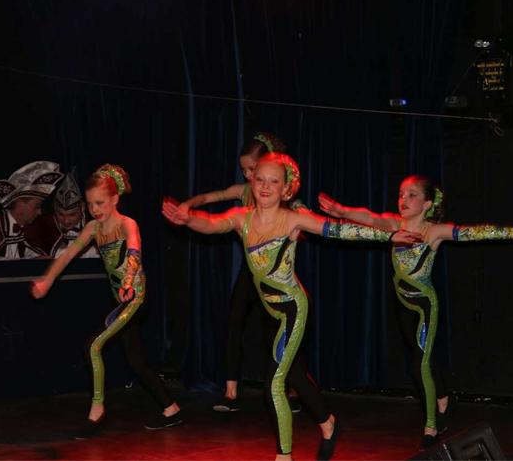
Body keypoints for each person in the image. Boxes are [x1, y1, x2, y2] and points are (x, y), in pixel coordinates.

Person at [163, 153, 414, 461]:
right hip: (271, 312)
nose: (265, 186)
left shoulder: (293, 219)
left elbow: (339, 230)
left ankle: (284, 456)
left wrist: (388, 234)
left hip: (293, 308)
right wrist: (189, 219)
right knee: (295, 375)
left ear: (286, 190)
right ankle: (329, 424)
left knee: (274, 384)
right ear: (252, 183)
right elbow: (212, 224)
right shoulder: (241, 217)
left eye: (273, 181)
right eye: (260, 179)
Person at [319, 176, 513, 448]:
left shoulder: (433, 232)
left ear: (427, 204)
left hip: (424, 305)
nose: (403, 199)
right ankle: (444, 397)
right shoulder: (394, 225)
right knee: (422, 356)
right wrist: (341, 211)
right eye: (401, 194)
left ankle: (431, 425)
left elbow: (475, 232)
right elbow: (369, 217)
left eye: (412, 195)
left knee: (420, 364)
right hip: (401, 304)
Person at [32, 164, 182, 437]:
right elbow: (67, 256)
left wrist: (128, 281)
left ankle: (97, 410)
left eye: (100, 203)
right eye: (90, 204)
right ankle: (171, 409)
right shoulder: (93, 228)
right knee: (136, 361)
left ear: (115, 199)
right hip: (121, 300)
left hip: (135, 297)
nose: (95, 209)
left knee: (93, 346)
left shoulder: (127, 224)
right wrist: (47, 280)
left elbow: (134, 252)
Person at [176, 132, 304, 413]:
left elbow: (300, 221)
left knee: (277, 331)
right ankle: (231, 391)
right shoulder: (243, 191)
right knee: (234, 320)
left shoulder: (280, 199)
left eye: (252, 168)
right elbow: (212, 196)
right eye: (245, 170)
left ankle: (294, 389)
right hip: (250, 270)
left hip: (274, 273)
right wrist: (188, 205)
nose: (247, 174)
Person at [0, 161, 63, 260]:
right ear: (20, 204)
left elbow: (29, 249)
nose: (40, 212)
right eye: (37, 206)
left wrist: (38, 258)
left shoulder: (30, 226)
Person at [34, 169, 99, 259]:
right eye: (60, 214)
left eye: (72, 214)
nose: (66, 220)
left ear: (82, 207)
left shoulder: (95, 224)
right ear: (54, 209)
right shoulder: (44, 224)